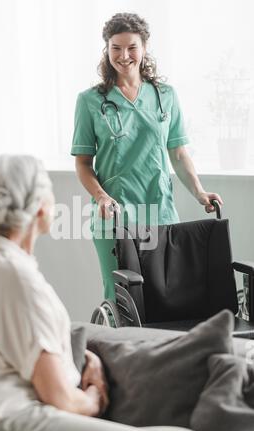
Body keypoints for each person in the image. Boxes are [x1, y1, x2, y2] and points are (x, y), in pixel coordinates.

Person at [0, 154, 205, 431]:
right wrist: (94, 398)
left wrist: (90, 359)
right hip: (8, 421)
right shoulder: (15, 276)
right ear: (38, 206)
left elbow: (23, 347)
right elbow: (59, 397)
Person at [71, 12, 223, 302]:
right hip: (114, 215)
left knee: (166, 295)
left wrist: (200, 193)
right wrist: (101, 196)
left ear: (144, 48)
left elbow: (178, 153)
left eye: (131, 47)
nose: (124, 55)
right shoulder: (90, 101)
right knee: (122, 298)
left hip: (160, 211)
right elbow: (82, 163)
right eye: (115, 47)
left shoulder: (166, 95)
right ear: (107, 49)